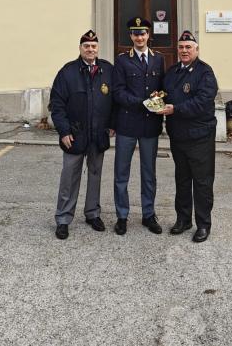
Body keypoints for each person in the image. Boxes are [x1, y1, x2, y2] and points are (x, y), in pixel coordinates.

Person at [50, 29, 114, 240]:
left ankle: (92, 214)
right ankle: (63, 218)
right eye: (86, 46)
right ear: (80, 48)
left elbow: (115, 101)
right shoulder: (67, 72)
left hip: (98, 135)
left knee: (95, 176)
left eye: (94, 46)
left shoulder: (107, 70)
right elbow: (57, 105)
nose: (90, 49)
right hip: (74, 136)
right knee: (69, 178)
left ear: (98, 49)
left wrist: (113, 124)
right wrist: (64, 131)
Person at [160, 31, 218, 243]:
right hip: (179, 136)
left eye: (188, 47)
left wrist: (175, 109)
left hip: (200, 135)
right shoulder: (173, 71)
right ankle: (183, 220)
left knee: (202, 182)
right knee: (182, 179)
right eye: (181, 47)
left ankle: (203, 224)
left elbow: (202, 102)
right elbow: (164, 93)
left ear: (196, 50)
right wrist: (156, 99)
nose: (184, 51)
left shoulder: (205, 72)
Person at [112, 17, 165, 235]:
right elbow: (118, 92)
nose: (139, 37)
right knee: (121, 173)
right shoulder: (123, 60)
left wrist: (159, 96)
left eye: (143, 33)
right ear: (131, 36)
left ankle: (148, 214)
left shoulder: (158, 59)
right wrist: (140, 102)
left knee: (148, 173)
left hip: (150, 125)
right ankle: (122, 216)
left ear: (148, 35)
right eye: (135, 34)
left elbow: (163, 87)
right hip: (127, 123)